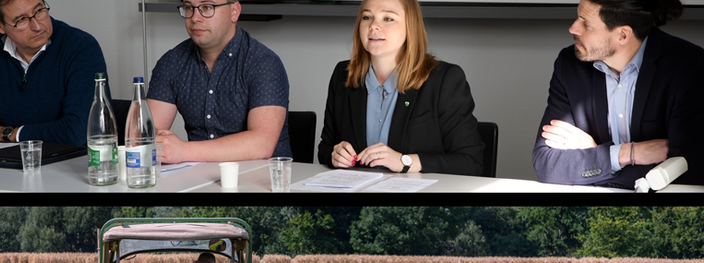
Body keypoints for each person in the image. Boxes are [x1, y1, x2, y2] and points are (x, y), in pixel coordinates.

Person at [532, 0, 704, 188]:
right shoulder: (569, 65)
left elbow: (689, 170)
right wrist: (626, 153)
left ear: (623, 35)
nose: (573, 28)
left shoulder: (690, 67)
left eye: (586, 23)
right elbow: (547, 166)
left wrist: (594, 157)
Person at [317, 0, 484, 175]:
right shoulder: (342, 76)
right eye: (367, 17)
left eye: (388, 18)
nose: (373, 25)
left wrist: (405, 161)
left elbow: (471, 162)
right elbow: (325, 148)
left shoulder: (444, 80)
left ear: (410, 27)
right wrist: (334, 155)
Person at [147, 0, 291, 164]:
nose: (195, 18)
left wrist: (183, 151)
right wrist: (160, 144)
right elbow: (146, 134)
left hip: (261, 179)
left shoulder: (263, 63)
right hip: (197, 178)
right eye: (189, 7)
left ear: (234, 11)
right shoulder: (171, 63)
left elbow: (261, 144)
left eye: (207, 7)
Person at [0, 0, 108, 146]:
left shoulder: (80, 47)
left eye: (39, 11)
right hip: (12, 159)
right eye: (21, 20)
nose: (37, 26)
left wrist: (8, 133)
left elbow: (80, 131)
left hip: (70, 162)